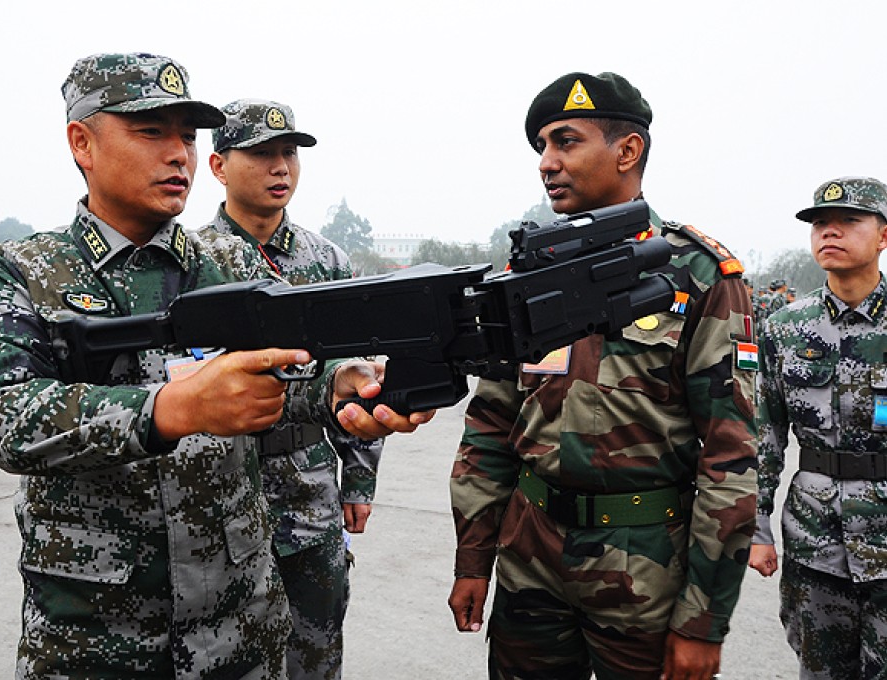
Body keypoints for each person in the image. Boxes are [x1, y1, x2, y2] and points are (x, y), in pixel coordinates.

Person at [0, 53, 428, 679]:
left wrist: (342, 384)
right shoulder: (22, 272)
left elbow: (287, 373)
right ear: (82, 141)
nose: (178, 154)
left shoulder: (227, 266)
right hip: (97, 631)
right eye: (152, 131)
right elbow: (0, 415)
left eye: (187, 135)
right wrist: (170, 408)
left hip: (239, 624)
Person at [447, 71, 758, 680]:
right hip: (529, 559)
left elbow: (730, 457)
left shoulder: (696, 273)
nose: (546, 162)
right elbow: (490, 420)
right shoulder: (525, 274)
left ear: (627, 150)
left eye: (565, 142)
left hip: (643, 568)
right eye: (541, 147)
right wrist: (474, 557)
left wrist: (703, 618)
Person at [199, 98, 382, 680]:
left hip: (309, 492)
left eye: (289, 154)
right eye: (261, 153)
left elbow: (362, 376)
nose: (281, 167)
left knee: (315, 649)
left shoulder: (325, 260)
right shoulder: (193, 261)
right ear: (220, 165)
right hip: (220, 493)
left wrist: (358, 478)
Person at [748, 176, 887, 679]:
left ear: (883, 236)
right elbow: (765, 432)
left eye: (849, 221)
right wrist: (757, 524)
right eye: (820, 224)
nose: (830, 232)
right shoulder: (784, 327)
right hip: (815, 541)